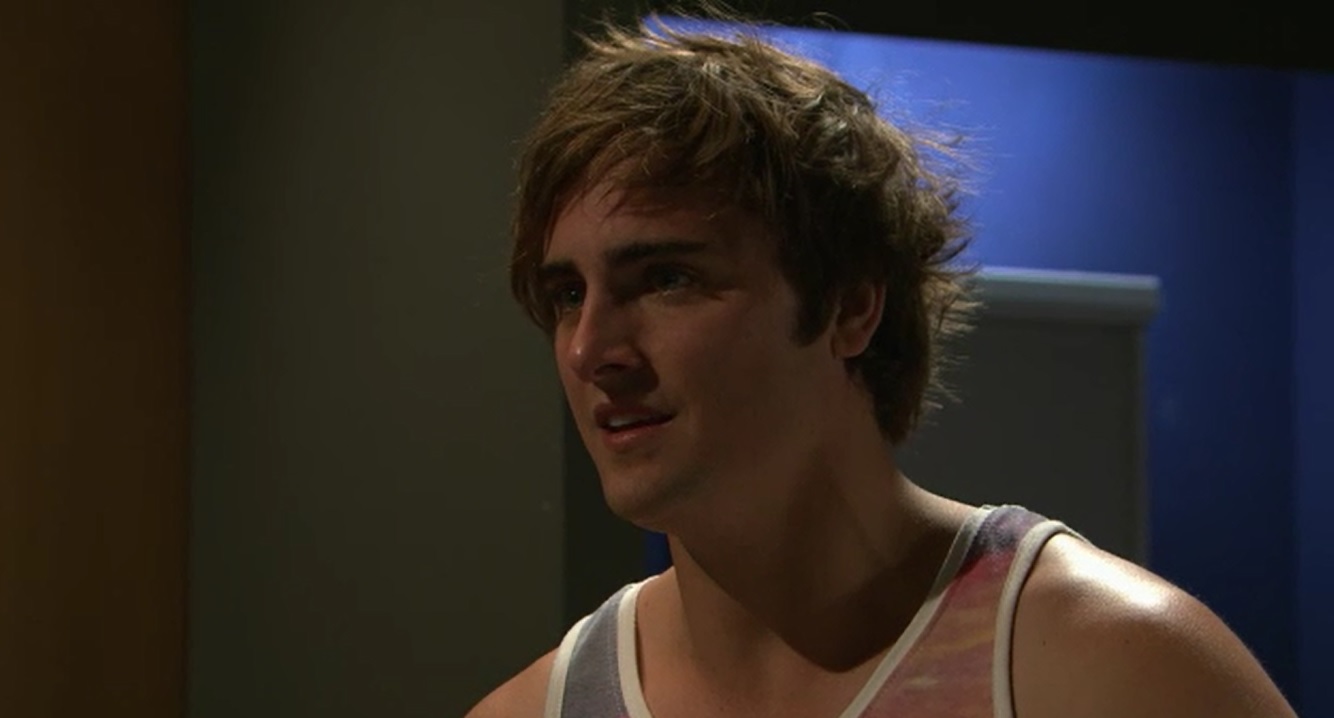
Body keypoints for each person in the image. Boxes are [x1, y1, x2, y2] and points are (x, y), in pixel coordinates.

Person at [468, 13, 1298, 718]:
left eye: (667, 279)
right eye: (567, 294)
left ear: (849, 306)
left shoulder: (1110, 671)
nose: (591, 350)